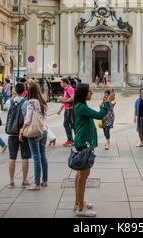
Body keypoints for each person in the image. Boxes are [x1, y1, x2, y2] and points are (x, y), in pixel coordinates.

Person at [72, 83, 115, 217]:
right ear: (83, 93)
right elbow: (100, 115)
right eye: (89, 91)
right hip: (84, 143)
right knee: (83, 176)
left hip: (82, 142)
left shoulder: (80, 106)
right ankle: (80, 209)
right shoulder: (81, 107)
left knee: (80, 174)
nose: (91, 93)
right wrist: (107, 102)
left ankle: (79, 202)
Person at [19, 83, 48, 191]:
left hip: (35, 132)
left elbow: (27, 119)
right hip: (43, 130)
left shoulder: (31, 102)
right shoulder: (43, 101)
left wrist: (22, 130)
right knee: (43, 155)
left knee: (36, 157)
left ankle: (36, 184)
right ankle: (44, 180)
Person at [4, 82, 31, 188]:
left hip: (11, 132)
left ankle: (11, 181)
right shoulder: (26, 103)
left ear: (15, 90)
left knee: (12, 157)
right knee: (25, 156)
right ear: (24, 91)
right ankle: (24, 180)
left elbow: (6, 110)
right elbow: (28, 118)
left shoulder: (9, 102)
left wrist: (13, 97)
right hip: (23, 132)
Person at [57, 78, 75, 147]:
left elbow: (72, 98)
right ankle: (72, 140)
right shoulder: (66, 90)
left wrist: (66, 101)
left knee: (67, 124)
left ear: (65, 83)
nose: (60, 84)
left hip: (70, 109)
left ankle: (70, 140)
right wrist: (60, 109)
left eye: (61, 82)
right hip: (67, 109)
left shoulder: (70, 88)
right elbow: (66, 101)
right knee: (71, 124)